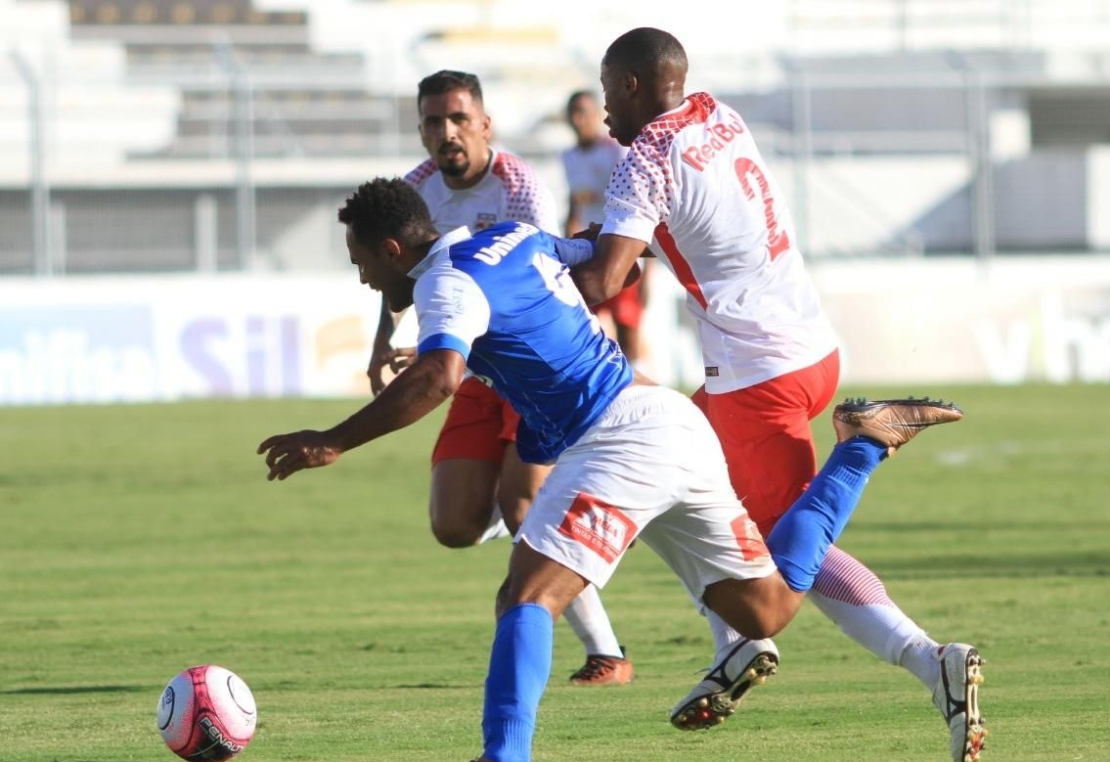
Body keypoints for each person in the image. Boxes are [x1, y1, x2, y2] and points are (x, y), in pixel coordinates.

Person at [256, 177, 964, 762]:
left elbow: (440, 377)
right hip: (669, 423)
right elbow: (593, 253)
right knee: (767, 608)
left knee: (527, 596)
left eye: (362, 264)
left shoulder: (445, 282)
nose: (362, 278)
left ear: (390, 248)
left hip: (618, 438)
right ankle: (864, 445)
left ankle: (504, 756)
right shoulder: (507, 235)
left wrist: (334, 439)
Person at [568, 27, 987, 762]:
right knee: (667, 477)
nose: (602, 111)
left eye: (607, 91)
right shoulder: (718, 114)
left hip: (755, 375)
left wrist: (515, 288)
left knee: (794, 561)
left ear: (632, 84)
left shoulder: (644, 158)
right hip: (808, 349)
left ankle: (925, 653)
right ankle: (734, 646)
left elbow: (608, 279)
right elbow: (642, 244)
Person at [365, 70, 632, 686]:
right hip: (470, 367)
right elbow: (397, 270)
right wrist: (388, 340)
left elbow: (528, 275)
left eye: (459, 119)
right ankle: (544, 506)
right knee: (453, 526)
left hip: (523, 365)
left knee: (520, 503)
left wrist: (446, 344)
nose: (446, 132)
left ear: (485, 125)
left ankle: (607, 654)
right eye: (434, 121)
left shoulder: (518, 186)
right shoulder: (416, 189)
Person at [562, 90, 651, 367]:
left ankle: (638, 384)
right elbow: (574, 204)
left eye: (584, 113)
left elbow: (643, 207)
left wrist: (650, 271)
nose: (578, 120)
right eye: (573, 114)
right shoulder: (568, 157)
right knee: (583, 322)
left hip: (622, 246)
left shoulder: (616, 152)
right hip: (589, 249)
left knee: (626, 321)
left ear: (597, 116)